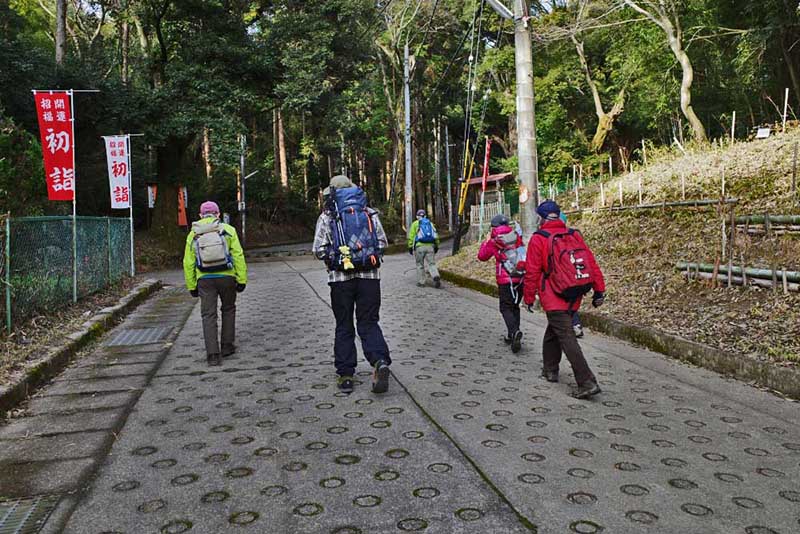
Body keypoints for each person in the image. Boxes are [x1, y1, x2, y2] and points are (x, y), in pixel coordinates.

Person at [313, 175, 392, 395]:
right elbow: (382, 243)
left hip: (340, 280)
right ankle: (379, 362)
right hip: (369, 277)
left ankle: (346, 375)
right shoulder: (369, 212)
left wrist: (336, 258)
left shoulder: (328, 215)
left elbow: (318, 249)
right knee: (368, 322)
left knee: (344, 325)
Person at [523, 200, 605, 399]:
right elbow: (590, 263)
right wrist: (599, 290)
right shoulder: (573, 234)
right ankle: (550, 370)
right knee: (555, 330)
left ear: (540, 218)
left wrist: (528, 297)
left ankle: (587, 381)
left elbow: (532, 271)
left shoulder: (539, 238)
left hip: (553, 296)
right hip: (574, 293)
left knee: (566, 336)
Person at [183, 201, 248, 367]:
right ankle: (227, 346)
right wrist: (241, 279)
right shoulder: (228, 230)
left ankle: (212, 354)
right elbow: (238, 255)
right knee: (228, 309)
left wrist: (192, 285)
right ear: (218, 214)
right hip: (226, 276)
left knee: (208, 315)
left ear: (200, 215)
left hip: (204, 279)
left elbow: (188, 262)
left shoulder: (193, 234)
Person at [477, 214, 525, 353]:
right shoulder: (516, 236)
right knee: (515, 306)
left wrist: (485, 242)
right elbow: (522, 253)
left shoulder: (494, 241)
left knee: (505, 307)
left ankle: (514, 332)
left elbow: (482, 256)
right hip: (520, 277)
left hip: (505, 279)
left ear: (494, 227)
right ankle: (513, 334)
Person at [560, 212, 585, 338]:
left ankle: (573, 325)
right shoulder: (575, 234)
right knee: (573, 303)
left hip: (567, 277)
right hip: (581, 274)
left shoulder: (557, 238)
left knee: (566, 304)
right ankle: (576, 325)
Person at [407, 209, 441, 288]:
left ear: (417, 216)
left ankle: (421, 282)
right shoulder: (430, 224)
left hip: (419, 247)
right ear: (425, 216)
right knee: (431, 263)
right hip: (430, 246)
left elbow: (411, 237)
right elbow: (436, 236)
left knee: (420, 264)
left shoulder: (415, 224)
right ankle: (435, 276)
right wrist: (436, 246)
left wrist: (410, 246)